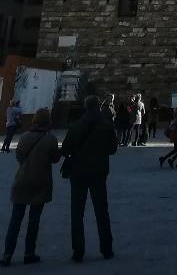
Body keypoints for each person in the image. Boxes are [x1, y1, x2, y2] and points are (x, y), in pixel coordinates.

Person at [0, 107, 61, 267]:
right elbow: (55, 159)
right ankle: (29, 253)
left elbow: (19, 157)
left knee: (15, 220)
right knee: (34, 221)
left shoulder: (24, 136)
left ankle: (7, 254)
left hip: (22, 180)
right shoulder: (51, 139)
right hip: (40, 181)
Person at [60, 94, 118, 261]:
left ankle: (78, 251)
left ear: (85, 107)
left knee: (77, 213)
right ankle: (107, 249)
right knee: (102, 211)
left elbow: (65, 150)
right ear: (99, 107)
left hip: (78, 173)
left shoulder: (76, 126)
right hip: (99, 173)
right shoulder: (107, 126)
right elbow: (112, 150)